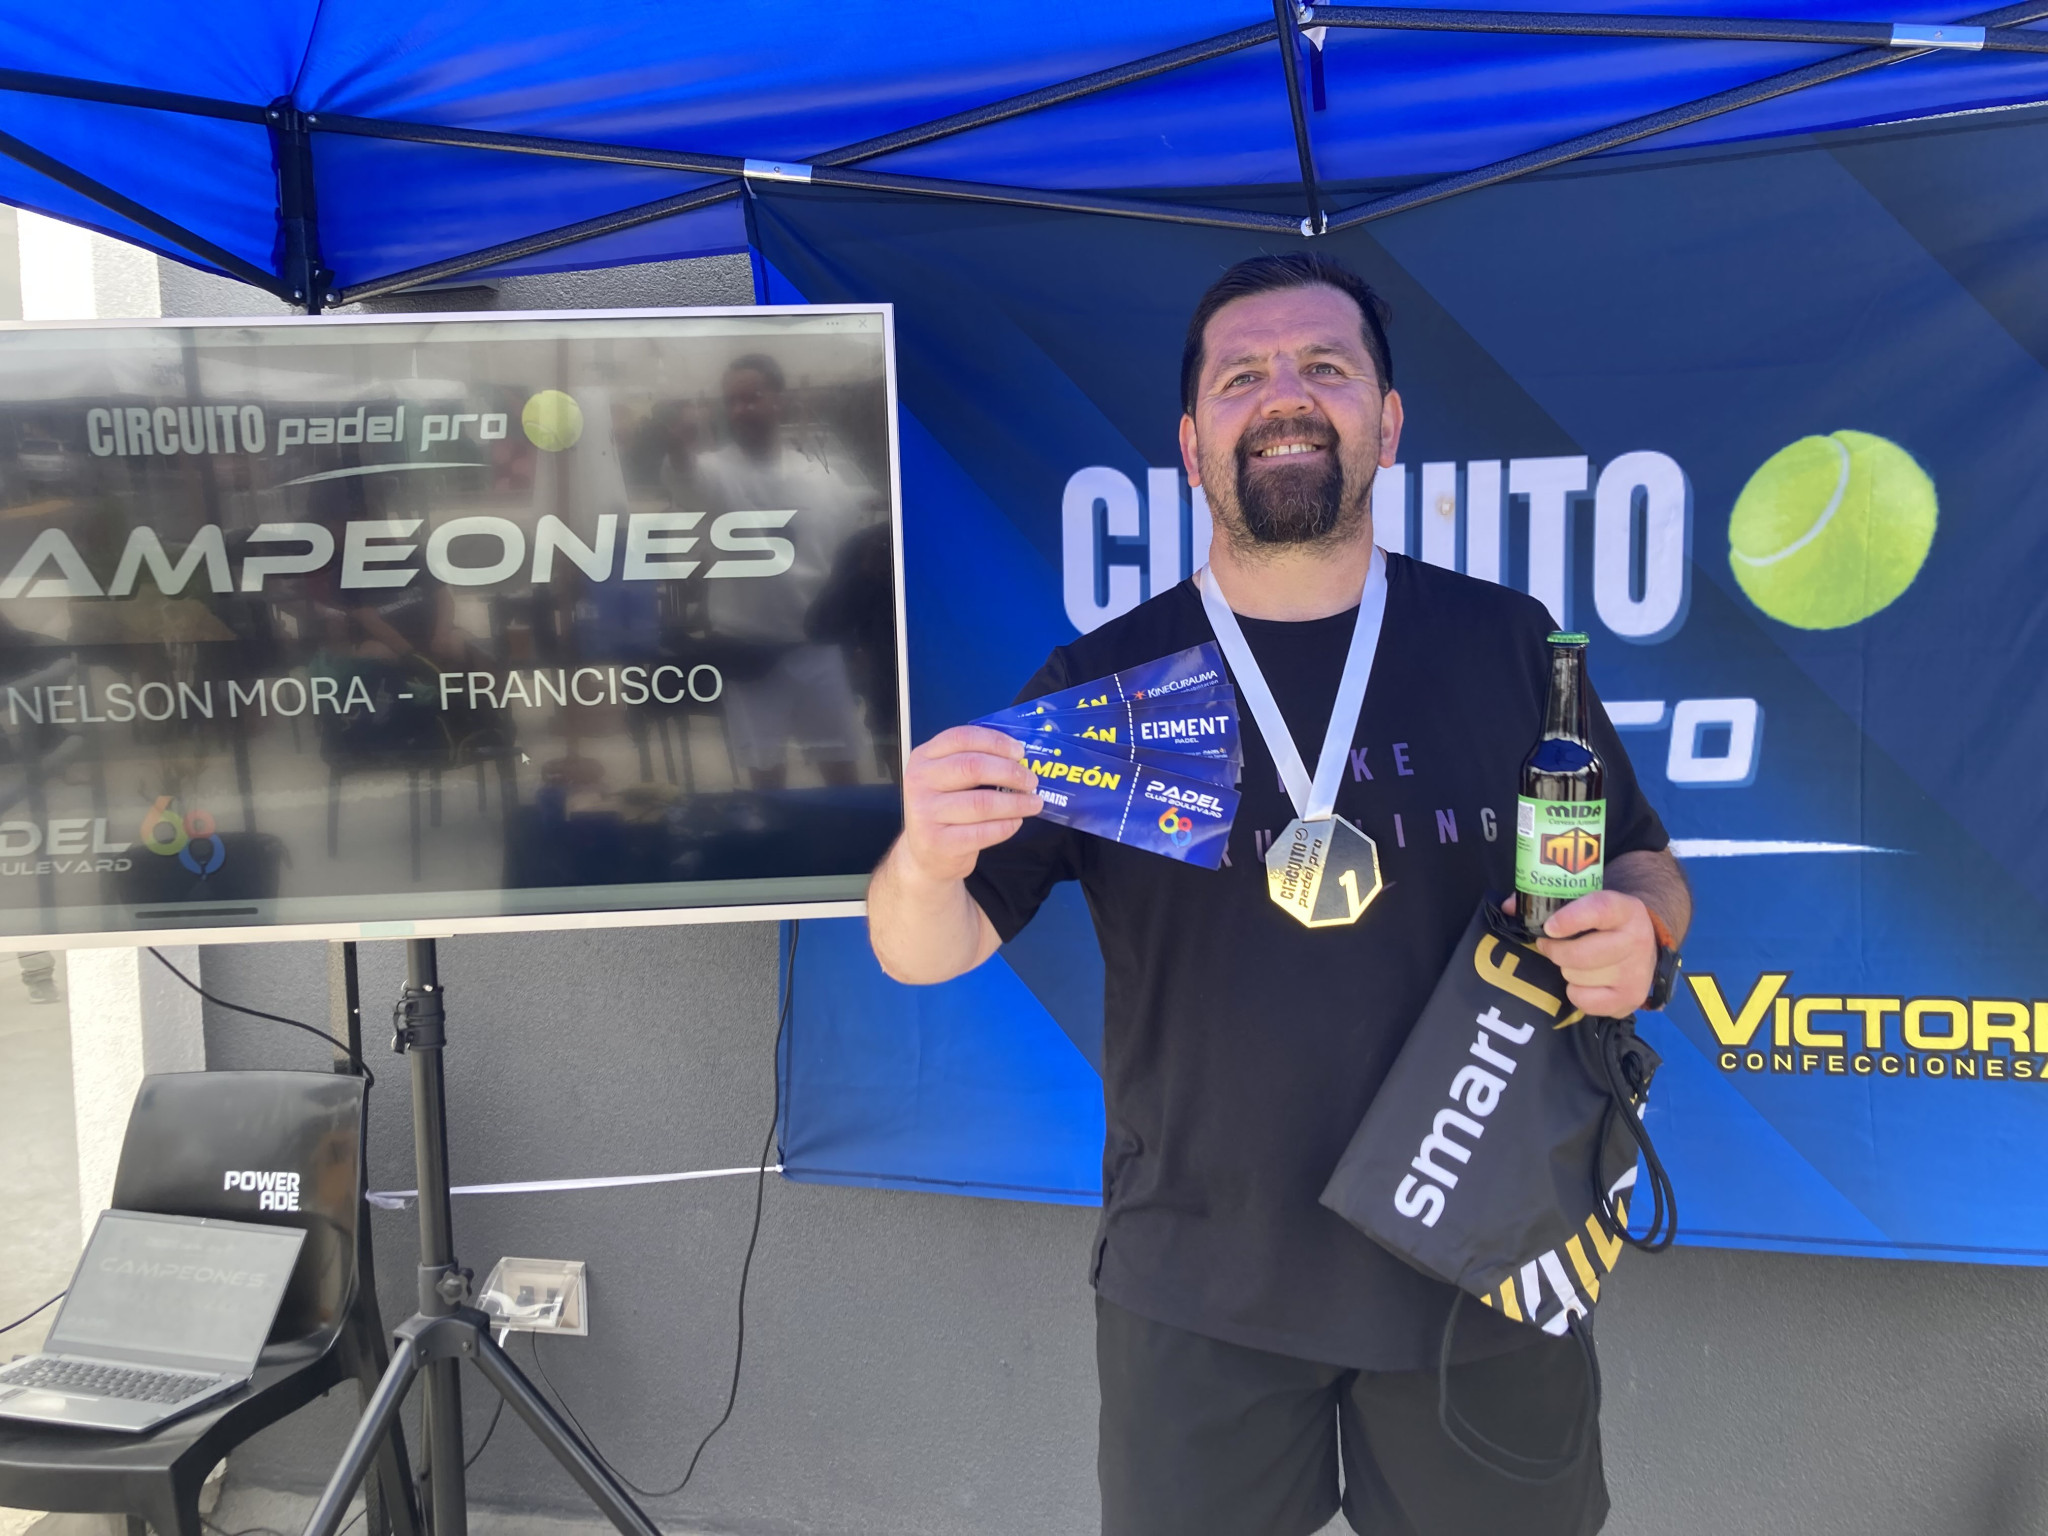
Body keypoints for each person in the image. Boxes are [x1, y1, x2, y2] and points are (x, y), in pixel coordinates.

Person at [866, 253, 1690, 1536]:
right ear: (1191, 443)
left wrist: (1640, 935)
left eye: (1324, 367)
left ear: (1386, 422)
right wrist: (920, 861)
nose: (1284, 395)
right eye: (1241, 375)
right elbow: (927, 947)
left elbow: (1640, 863)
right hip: (1201, 1283)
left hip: (1487, 1254)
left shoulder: (1506, 643)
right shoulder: (1106, 685)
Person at [694, 353, 874, 790]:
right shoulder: (709, 472)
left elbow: (849, 557)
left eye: (752, 397)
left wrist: (857, 637)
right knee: (765, 780)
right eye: (732, 401)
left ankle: (850, 835)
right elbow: (681, 477)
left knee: (842, 772)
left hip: (818, 650)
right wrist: (680, 447)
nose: (742, 409)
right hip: (748, 652)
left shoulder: (822, 478)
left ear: (779, 400)